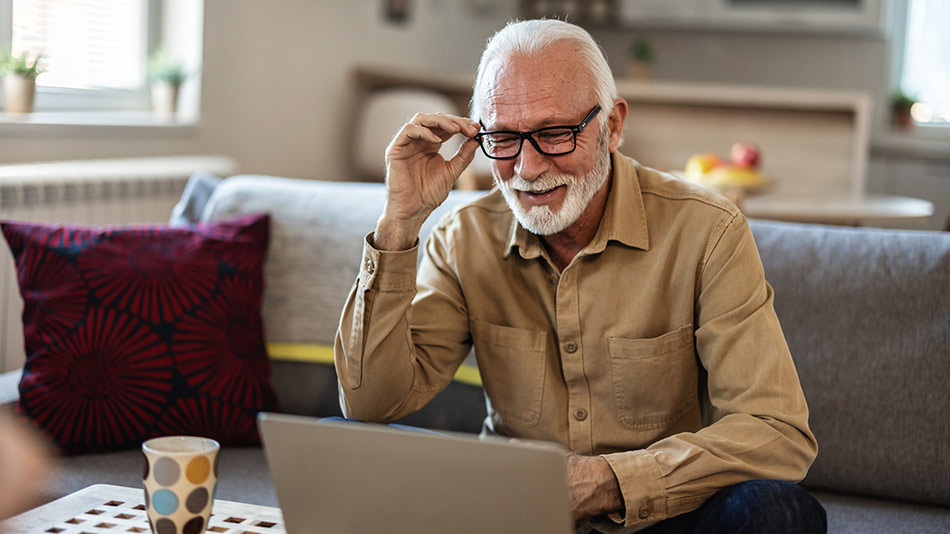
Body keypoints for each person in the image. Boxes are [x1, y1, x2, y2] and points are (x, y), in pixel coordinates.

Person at [334, 19, 825, 533]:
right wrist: (399, 222)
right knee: (336, 450)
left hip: (658, 518)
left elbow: (776, 433)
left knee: (778, 513)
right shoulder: (464, 239)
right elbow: (370, 403)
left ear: (612, 127)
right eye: (503, 137)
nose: (525, 168)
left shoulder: (708, 232)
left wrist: (606, 481)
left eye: (553, 133)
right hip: (516, 516)